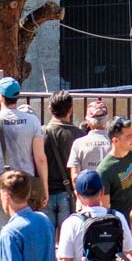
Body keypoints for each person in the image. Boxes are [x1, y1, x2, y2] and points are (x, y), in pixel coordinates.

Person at [0, 79, 49, 208]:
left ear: (0, 96)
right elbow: (40, 158)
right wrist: (44, 187)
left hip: (2, 185)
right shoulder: (33, 121)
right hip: (26, 185)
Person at [43, 93, 81, 236]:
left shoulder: (41, 133)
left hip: (45, 193)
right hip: (68, 193)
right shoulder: (79, 135)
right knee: (68, 241)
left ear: (49, 109)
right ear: (70, 110)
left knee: (47, 241)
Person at [98, 118, 132, 222]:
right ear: (115, 140)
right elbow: (104, 207)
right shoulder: (105, 169)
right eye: (129, 136)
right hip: (122, 224)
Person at [69, 104, 112, 181]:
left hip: (87, 190)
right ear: (106, 121)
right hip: (111, 191)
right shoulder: (116, 142)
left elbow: (75, 176)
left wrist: (78, 191)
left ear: (88, 122)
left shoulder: (78, 143)